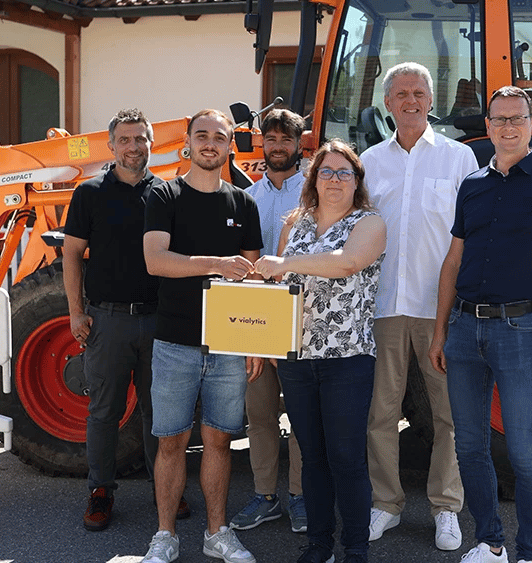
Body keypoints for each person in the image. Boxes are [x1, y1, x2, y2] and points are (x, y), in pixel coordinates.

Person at [429, 86, 532, 563]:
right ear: (488, 127)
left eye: (517, 118)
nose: (508, 127)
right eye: (499, 119)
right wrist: (440, 333)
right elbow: (453, 263)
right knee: (470, 447)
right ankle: (490, 543)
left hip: (519, 332)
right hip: (462, 331)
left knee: (523, 452)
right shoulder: (472, 185)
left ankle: (530, 554)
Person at [359, 61, 479, 551]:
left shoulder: (458, 160)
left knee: (450, 414)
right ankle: (384, 504)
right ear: (387, 103)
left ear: (432, 101)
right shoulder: (368, 161)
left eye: (419, 92)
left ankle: (446, 508)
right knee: (380, 413)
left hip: (439, 309)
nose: (410, 100)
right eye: (400, 93)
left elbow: (471, 237)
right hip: (383, 305)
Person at [140, 109, 265, 563]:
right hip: (175, 343)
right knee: (171, 441)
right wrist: (214, 262)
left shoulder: (244, 203)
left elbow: (254, 278)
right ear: (188, 144)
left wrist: (255, 342)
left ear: (231, 145)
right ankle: (165, 536)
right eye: (202, 136)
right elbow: (157, 260)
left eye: (219, 137)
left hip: (229, 347)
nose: (210, 143)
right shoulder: (165, 194)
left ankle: (218, 533)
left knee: (219, 441)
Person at [253, 139, 387, 563]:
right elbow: (279, 289)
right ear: (313, 179)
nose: (334, 179)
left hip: (347, 358)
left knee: (346, 457)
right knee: (311, 456)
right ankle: (318, 545)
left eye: (344, 172)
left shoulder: (370, 223)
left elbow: (347, 263)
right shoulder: (295, 223)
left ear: (357, 181)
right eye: (326, 171)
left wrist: (286, 263)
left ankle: (356, 549)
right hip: (298, 359)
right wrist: (268, 341)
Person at [63, 108, 189, 532]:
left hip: (160, 321)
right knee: (104, 411)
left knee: (162, 413)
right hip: (108, 321)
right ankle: (101, 490)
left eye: (141, 139)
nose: (133, 147)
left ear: (152, 144)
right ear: (111, 145)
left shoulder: (169, 194)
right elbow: (71, 253)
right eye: (125, 140)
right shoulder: (90, 193)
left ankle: (165, 489)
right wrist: (76, 311)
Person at [230, 108, 309, 534]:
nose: (277, 147)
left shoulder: (316, 193)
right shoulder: (247, 198)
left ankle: (299, 496)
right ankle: (265, 496)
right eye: (271, 140)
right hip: (256, 319)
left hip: (302, 319)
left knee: (299, 415)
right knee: (258, 413)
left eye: (285, 140)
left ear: (299, 144)